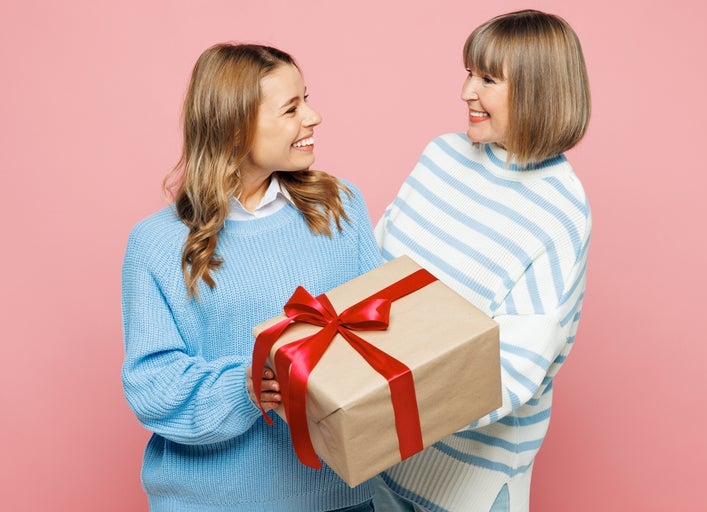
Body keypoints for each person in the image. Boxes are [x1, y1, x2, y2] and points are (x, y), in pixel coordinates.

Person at [121, 43, 381, 511]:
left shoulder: (340, 206)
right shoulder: (156, 244)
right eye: (291, 108)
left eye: (307, 99)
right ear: (236, 127)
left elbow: (379, 335)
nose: (314, 116)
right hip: (213, 501)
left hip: (340, 497)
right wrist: (246, 385)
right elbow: (152, 385)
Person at [372, 9, 592, 512]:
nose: (466, 91)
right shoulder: (440, 157)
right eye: (469, 72)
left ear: (539, 90)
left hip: (467, 484)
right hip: (377, 460)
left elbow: (512, 369)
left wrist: (391, 409)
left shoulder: (560, 209)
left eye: (488, 79)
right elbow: (372, 280)